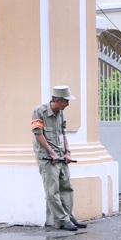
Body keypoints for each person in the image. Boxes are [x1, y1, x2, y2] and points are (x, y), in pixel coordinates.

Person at [31, 85, 87, 231]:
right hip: (47, 158)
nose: (68, 104)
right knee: (52, 190)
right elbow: (38, 134)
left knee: (66, 187)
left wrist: (68, 152)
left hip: (61, 155)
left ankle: (69, 216)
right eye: (66, 101)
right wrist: (51, 153)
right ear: (58, 100)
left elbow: (63, 134)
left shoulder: (61, 113)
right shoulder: (39, 111)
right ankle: (62, 220)